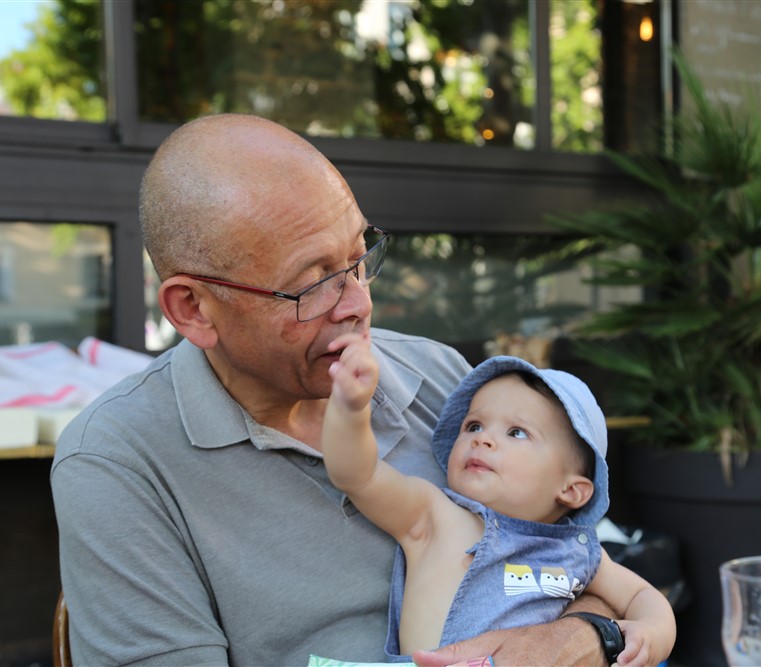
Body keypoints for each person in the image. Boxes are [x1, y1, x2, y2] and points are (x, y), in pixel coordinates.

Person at [51, 113, 617, 666]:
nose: (358, 304)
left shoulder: (440, 376)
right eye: (313, 283)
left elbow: (579, 565)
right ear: (193, 308)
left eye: (358, 258)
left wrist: (582, 636)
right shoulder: (116, 461)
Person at [322, 335, 676, 666]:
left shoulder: (577, 552)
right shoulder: (434, 515)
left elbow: (642, 596)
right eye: (474, 426)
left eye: (516, 432)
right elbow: (358, 475)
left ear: (571, 490)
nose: (483, 439)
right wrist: (351, 410)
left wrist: (651, 634)